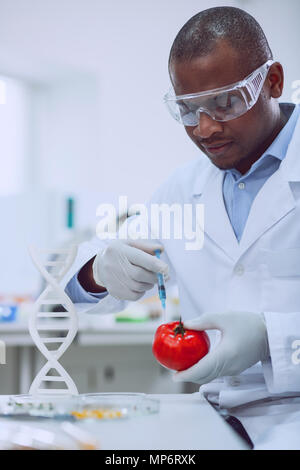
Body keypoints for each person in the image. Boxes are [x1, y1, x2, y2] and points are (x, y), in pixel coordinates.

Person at [63, 6, 300, 449]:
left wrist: (274, 339)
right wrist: (97, 271)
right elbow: (70, 283)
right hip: (215, 419)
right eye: (188, 110)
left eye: (226, 102)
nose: (206, 127)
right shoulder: (182, 189)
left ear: (273, 81)